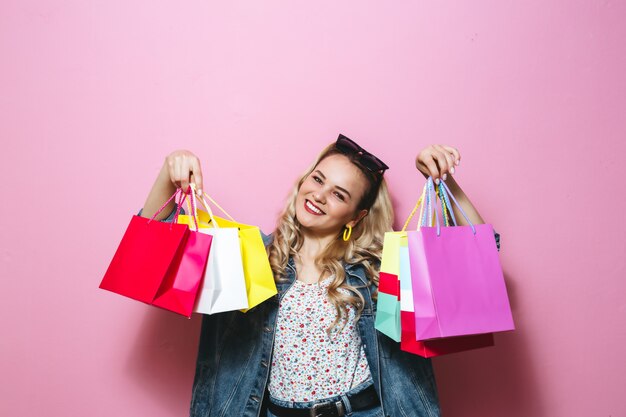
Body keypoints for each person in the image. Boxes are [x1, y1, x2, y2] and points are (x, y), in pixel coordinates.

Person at [139, 134, 500, 417]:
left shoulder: (377, 268)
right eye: (318, 179)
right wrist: (169, 174)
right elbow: (152, 257)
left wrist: (443, 182)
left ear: (355, 217)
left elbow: (479, 259)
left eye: (339, 194)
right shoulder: (251, 257)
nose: (320, 196)